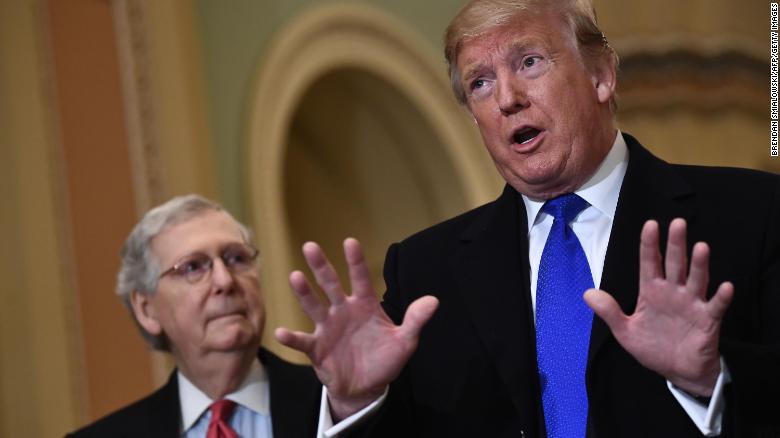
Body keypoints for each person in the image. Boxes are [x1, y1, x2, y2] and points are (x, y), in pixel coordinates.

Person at [275, 0, 780, 437]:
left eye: (530, 62)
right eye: (480, 83)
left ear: (601, 74)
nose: (507, 99)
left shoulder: (753, 214)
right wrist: (355, 404)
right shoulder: (425, 271)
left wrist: (712, 379)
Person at [67, 195, 321, 438]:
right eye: (192, 267)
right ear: (147, 310)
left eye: (237, 258)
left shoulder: (336, 402)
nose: (225, 280)